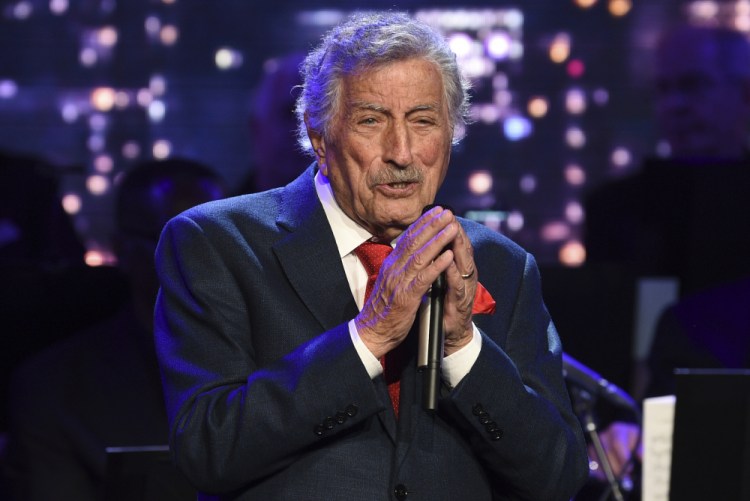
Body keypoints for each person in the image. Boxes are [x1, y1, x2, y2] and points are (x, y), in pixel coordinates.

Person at [154, 12, 588, 500]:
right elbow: (206, 450)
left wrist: (463, 345)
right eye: (371, 121)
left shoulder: (503, 265)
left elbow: (559, 476)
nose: (401, 153)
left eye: (423, 121)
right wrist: (371, 334)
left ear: (450, 137)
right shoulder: (217, 243)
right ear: (320, 137)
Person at [582, 23, 750, 499]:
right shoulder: (614, 208)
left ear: (744, 93)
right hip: (628, 438)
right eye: (665, 89)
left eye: (693, 85)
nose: (675, 105)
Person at [4, 158, 225, 500]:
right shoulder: (56, 391)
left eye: (226, 240)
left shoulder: (286, 357)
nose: (210, 262)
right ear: (123, 249)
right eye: (181, 241)